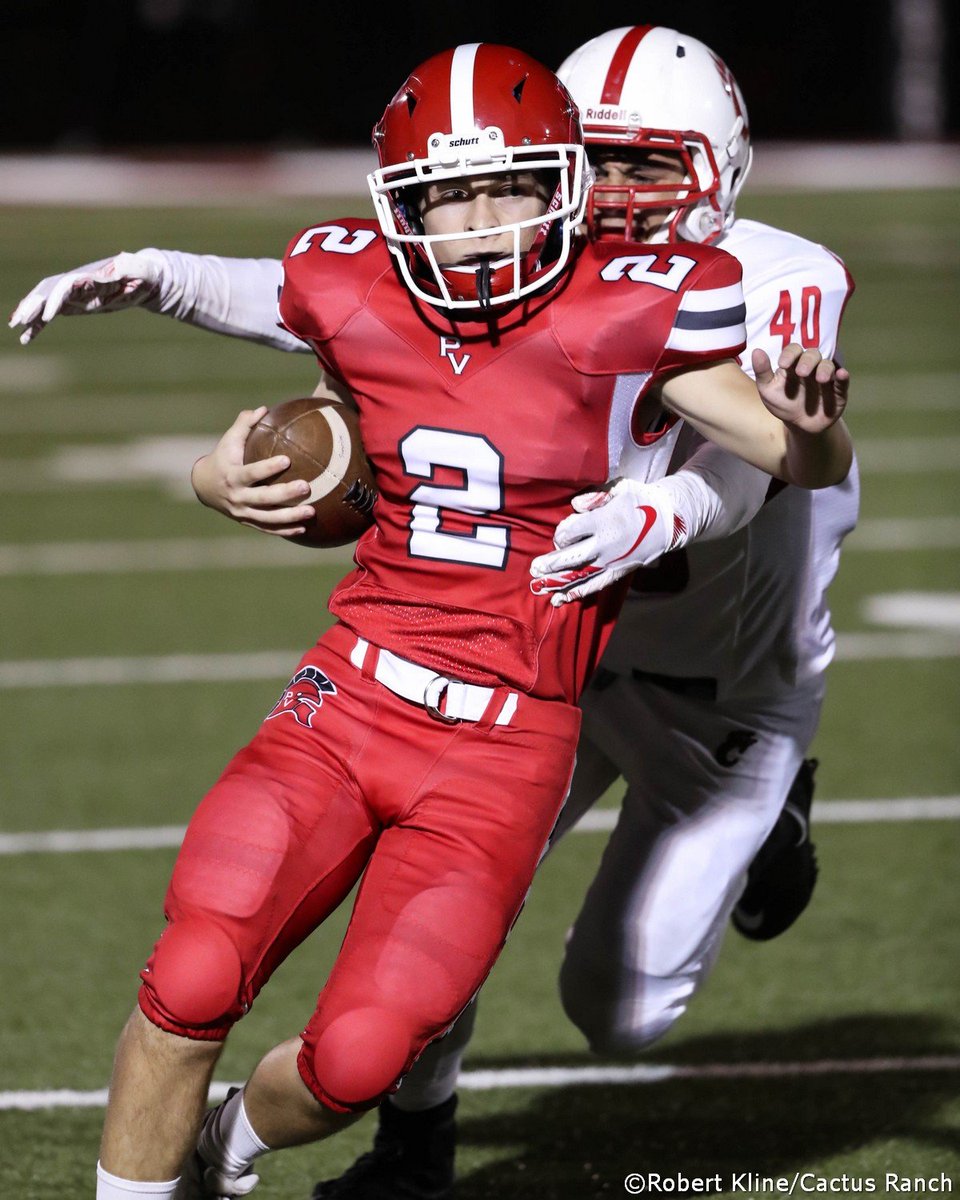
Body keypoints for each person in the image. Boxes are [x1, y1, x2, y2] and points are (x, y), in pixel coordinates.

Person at [10, 38, 853, 1200]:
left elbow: (779, 461)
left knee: (414, 1045)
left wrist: (718, 477)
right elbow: (263, 296)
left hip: (551, 719)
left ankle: (228, 1151)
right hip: (359, 688)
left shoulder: (662, 303)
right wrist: (156, 293)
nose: (489, 223)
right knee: (198, 966)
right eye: (450, 195)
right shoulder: (371, 282)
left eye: (514, 184)